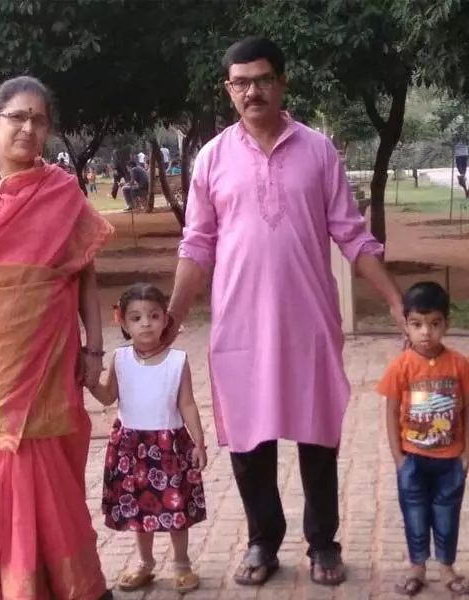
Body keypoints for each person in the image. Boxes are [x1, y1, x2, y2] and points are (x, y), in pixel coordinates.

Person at [166, 36, 405, 588]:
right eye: (241, 82)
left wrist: (394, 299)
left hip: (309, 324)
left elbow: (351, 234)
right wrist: (175, 313)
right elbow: (196, 244)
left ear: (282, 82)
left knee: (319, 435)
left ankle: (324, 544)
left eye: (263, 79)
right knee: (250, 442)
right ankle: (261, 542)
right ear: (229, 91)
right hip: (239, 327)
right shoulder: (212, 158)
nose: (253, 90)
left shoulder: (318, 150)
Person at [0, 75, 115, 600]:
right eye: (17, 117)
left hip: (49, 355)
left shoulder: (60, 189)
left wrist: (94, 348)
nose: (29, 128)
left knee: (48, 469)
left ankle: (71, 585)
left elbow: (85, 274)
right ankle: (3, 586)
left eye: (39, 119)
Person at [88, 284, 208, 595]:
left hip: (169, 447)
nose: (146, 323)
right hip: (131, 449)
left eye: (154, 316)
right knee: (139, 511)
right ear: (124, 323)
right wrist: (89, 382)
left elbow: (187, 403)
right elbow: (108, 396)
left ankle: (182, 564)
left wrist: (199, 442)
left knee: (175, 508)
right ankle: (145, 563)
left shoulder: (177, 361)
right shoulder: (121, 359)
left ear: (165, 320)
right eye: (137, 317)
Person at [377, 282, 469, 596]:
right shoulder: (401, 366)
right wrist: (399, 458)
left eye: (434, 324)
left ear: (447, 323)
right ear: (405, 325)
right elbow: (391, 411)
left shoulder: (459, 365)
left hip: (450, 461)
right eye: (416, 324)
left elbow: (467, 409)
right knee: (414, 513)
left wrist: (465, 454)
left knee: (447, 514)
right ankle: (417, 566)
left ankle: (446, 567)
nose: (425, 333)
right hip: (412, 458)